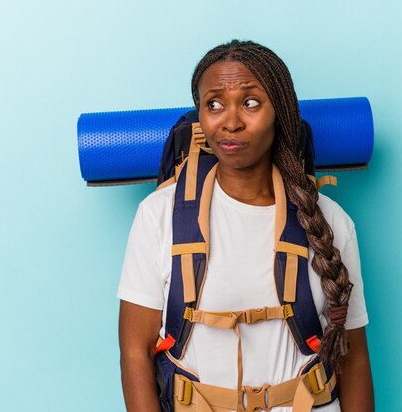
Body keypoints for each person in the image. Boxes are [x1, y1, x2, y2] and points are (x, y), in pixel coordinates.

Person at [117, 40, 374, 412]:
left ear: (280, 112)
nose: (231, 121)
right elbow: (134, 352)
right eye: (214, 104)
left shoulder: (330, 220)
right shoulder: (159, 215)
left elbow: (354, 358)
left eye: (251, 102)